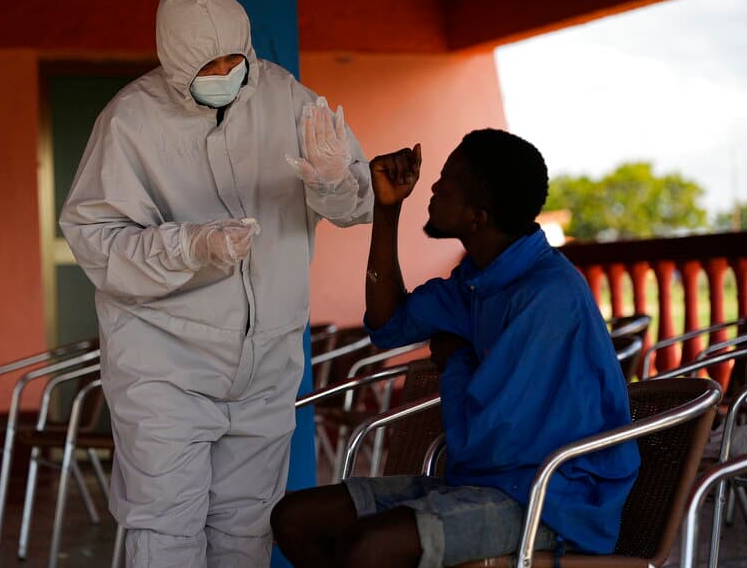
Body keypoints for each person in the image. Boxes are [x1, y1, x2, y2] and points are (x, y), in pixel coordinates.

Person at [59, 0, 373, 567]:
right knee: (166, 529)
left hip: (268, 358)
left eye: (235, 58)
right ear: (175, 64)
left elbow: (357, 204)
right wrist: (190, 247)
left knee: (248, 528)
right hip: (164, 361)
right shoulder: (130, 121)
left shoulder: (287, 98)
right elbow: (96, 240)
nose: (227, 74)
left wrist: (338, 182)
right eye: (208, 66)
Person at [271, 129, 640, 567]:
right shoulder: (478, 280)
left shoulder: (546, 293)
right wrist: (387, 211)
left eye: (447, 181)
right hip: (484, 482)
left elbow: (491, 439)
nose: (434, 187)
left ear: (477, 217)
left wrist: (455, 358)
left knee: (369, 546)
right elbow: (388, 326)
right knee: (294, 518)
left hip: (554, 498)